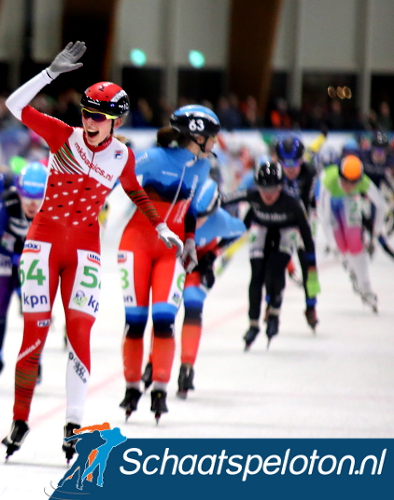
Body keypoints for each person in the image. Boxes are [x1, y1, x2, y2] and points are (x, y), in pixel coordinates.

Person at [0, 41, 181, 460]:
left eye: (98, 117)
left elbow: (136, 192)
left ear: (116, 122)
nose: (89, 121)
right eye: (85, 113)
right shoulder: (62, 135)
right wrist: (50, 73)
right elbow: (14, 105)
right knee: (35, 334)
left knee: (79, 333)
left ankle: (73, 423)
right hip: (42, 243)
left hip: (84, 248)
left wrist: (160, 226)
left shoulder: (122, 156)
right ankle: (20, 418)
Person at [117, 104, 220, 423]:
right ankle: (132, 386)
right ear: (197, 136)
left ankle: (160, 385)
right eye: (212, 138)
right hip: (137, 244)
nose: (216, 145)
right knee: (135, 320)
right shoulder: (154, 158)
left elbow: (189, 207)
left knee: (163, 320)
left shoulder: (203, 166)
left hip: (172, 250)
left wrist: (190, 239)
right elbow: (117, 181)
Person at [222, 159, 320, 351]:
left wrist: (311, 262)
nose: (267, 194)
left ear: (281, 186)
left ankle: (274, 310)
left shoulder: (292, 202)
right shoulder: (253, 195)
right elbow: (225, 199)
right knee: (257, 274)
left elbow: (306, 234)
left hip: (287, 230)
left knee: (275, 268)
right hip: (261, 228)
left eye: (273, 189)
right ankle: (253, 324)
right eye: (263, 189)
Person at [173, 179, 245, 399]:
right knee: (165, 312)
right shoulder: (176, 215)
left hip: (197, 264)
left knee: (194, 306)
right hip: (174, 263)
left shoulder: (221, 220)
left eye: (204, 216)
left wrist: (214, 254)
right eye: (195, 216)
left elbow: (240, 230)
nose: (198, 221)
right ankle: (152, 361)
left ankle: (187, 367)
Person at [0, 161, 47, 386]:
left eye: (38, 198)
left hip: (32, 258)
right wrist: (13, 258)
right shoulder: (8, 201)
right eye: (27, 197)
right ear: (18, 192)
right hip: (9, 254)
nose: (32, 204)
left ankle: (34, 360)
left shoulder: (50, 205)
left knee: (32, 312)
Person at [317, 155, 389, 313]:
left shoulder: (363, 182)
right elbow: (324, 216)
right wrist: (331, 244)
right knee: (342, 248)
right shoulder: (329, 182)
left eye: (353, 182)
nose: (349, 186)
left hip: (350, 201)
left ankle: (366, 287)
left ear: (359, 180)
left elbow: (382, 205)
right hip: (331, 201)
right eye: (345, 182)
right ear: (340, 177)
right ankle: (351, 270)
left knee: (355, 244)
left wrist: (376, 231)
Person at [274, 135, 320, 330]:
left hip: (305, 222)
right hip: (282, 220)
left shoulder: (310, 173)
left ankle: (311, 307)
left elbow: (312, 203)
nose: (290, 168)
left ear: (302, 160)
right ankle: (271, 303)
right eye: (285, 163)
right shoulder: (275, 173)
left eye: (294, 163)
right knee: (274, 262)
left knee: (310, 266)